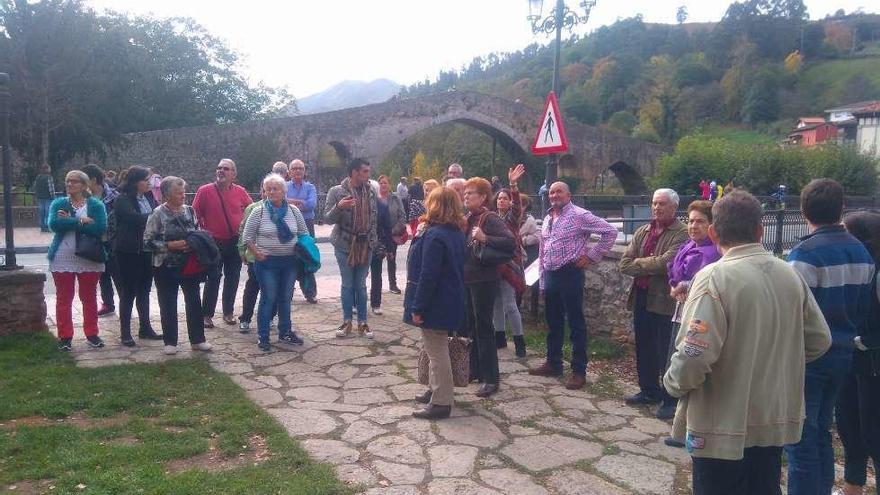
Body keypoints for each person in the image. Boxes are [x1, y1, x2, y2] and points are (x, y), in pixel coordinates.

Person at [663, 191, 832, 495]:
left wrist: (673, 384)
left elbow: (694, 354)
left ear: (713, 232)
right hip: (772, 418)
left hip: (720, 423)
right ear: (760, 230)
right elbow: (820, 340)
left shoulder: (713, 277)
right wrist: (777, 360)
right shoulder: (789, 274)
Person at [785, 179, 875, 495]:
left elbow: (790, 315)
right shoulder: (862, 253)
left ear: (802, 210)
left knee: (799, 438)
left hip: (808, 359)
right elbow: (864, 309)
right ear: (842, 209)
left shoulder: (803, 255)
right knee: (821, 430)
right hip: (843, 356)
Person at [529, 182, 617, 389]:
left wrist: (591, 256)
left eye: (559, 191)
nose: (554, 195)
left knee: (576, 323)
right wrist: (542, 282)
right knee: (553, 322)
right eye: (551, 192)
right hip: (551, 274)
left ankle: (578, 371)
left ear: (569, 194)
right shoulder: (550, 218)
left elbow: (610, 232)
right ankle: (554, 362)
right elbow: (543, 251)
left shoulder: (580, 215)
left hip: (570, 273)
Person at [619, 189, 688, 408]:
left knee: (665, 349)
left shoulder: (681, 233)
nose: (657, 208)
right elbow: (624, 264)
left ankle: (669, 398)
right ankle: (648, 390)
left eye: (662, 204)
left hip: (664, 300)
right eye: (654, 203)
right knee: (644, 346)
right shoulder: (643, 231)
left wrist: (641, 263)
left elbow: (667, 264)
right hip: (641, 295)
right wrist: (649, 263)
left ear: (674, 208)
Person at [404, 187, 467, 420]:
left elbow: (428, 275)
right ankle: (436, 389)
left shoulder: (435, 235)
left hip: (436, 301)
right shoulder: (456, 232)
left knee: (437, 350)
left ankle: (441, 401)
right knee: (435, 349)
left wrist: (418, 307)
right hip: (451, 297)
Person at [658, 200, 721, 428]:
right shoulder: (688, 245)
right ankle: (670, 399)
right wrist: (674, 286)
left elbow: (703, 280)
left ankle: (680, 406)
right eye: (691, 221)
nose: (694, 226)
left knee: (689, 354)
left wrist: (683, 285)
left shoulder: (713, 253)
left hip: (698, 314)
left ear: (712, 225)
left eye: (700, 221)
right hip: (680, 309)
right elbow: (672, 268)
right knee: (674, 353)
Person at [835, 211, 880, 495]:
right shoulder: (854, 265)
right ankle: (853, 486)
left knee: (874, 433)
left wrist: (866, 340)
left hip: (873, 365)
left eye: (846, 232)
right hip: (850, 360)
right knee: (849, 427)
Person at [144, 176, 213, 355]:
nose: (183, 195)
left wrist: (193, 244)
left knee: (194, 301)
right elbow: (147, 241)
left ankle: (198, 339)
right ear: (166, 194)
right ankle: (170, 341)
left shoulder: (190, 210)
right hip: (165, 265)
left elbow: (197, 231)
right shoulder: (157, 213)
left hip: (188, 264)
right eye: (178, 192)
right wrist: (168, 245)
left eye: (183, 191)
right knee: (167, 302)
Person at [243, 173, 308, 352]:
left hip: (289, 262)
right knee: (268, 298)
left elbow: (303, 233)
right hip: (267, 263)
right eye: (268, 189)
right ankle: (263, 337)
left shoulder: (294, 211)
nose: (271, 192)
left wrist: (302, 251)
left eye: (275, 189)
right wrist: (256, 253)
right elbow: (247, 236)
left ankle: (285, 332)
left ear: (283, 191)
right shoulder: (259, 211)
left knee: (285, 298)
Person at [463, 177, 516, 398]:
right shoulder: (470, 217)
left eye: (471, 194)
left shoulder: (490, 217)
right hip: (471, 278)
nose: (466, 197)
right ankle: (476, 370)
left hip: (484, 279)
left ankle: (491, 378)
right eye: (465, 194)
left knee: (484, 328)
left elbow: (510, 242)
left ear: (483, 197)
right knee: (473, 327)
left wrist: (485, 238)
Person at [48, 170, 108, 351]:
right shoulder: (59, 203)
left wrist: (70, 221)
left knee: (89, 297)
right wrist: (81, 220)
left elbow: (100, 228)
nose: (69, 185)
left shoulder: (96, 205)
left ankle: (92, 334)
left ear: (83, 185)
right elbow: (54, 224)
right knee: (64, 298)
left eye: (74, 182)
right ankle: (65, 336)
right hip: (63, 256)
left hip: (89, 257)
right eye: (67, 182)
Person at [192, 158, 252, 328]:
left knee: (232, 278)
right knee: (213, 278)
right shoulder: (204, 191)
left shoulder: (240, 191)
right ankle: (207, 314)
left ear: (234, 174)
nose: (221, 171)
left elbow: (252, 210)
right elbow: (195, 215)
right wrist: (204, 233)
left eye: (226, 168)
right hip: (214, 243)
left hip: (234, 241)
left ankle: (228, 312)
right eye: (219, 168)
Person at [325, 158, 378, 339]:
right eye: (365, 171)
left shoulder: (371, 191)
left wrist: (375, 241)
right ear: (354, 173)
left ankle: (362, 322)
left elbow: (375, 218)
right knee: (347, 285)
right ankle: (347, 321)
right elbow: (327, 218)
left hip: (366, 244)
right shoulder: (336, 191)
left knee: (361, 286)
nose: (368, 175)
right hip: (344, 244)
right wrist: (339, 207)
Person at [112, 166, 162, 346]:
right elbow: (135, 218)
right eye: (145, 180)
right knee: (128, 291)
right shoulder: (122, 199)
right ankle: (125, 332)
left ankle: (145, 327)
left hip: (147, 250)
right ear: (135, 182)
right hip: (128, 251)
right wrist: (157, 215)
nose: (149, 183)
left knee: (144, 291)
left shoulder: (148, 197)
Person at [490, 165, 527, 356]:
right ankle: (500, 337)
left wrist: (513, 184)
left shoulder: (512, 218)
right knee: (496, 302)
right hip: (494, 266)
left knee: (510, 303)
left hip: (510, 266)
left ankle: (520, 341)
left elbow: (517, 204)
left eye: (505, 198)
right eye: (500, 198)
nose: (502, 200)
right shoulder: (492, 218)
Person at [81, 164, 119, 318]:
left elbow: (116, 220)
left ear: (93, 180)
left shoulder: (113, 197)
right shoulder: (85, 199)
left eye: (84, 180)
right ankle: (108, 304)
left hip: (111, 241)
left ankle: (126, 304)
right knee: (102, 275)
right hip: (95, 242)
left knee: (118, 275)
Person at [370, 175, 407, 315]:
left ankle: (392, 284)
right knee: (371, 271)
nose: (383, 185)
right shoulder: (374, 201)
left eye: (385, 183)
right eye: (381, 183)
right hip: (376, 238)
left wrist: (394, 231)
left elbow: (402, 217)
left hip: (391, 235)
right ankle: (366, 301)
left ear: (389, 184)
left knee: (391, 260)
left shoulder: (394, 198)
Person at [286, 159, 318, 304]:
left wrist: (291, 202)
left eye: (300, 168)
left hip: (306, 225)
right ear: (289, 171)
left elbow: (312, 204)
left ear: (304, 171)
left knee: (308, 257)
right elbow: (282, 201)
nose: (298, 171)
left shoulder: (310, 187)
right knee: (289, 258)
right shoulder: (284, 186)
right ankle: (288, 291)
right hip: (288, 224)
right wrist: (301, 203)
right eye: (295, 168)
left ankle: (310, 293)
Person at [32, 164, 55, 232]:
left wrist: (36, 195)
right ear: (46, 169)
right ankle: (47, 226)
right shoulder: (49, 177)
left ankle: (42, 226)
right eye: (49, 168)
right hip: (47, 197)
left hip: (40, 197)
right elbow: (51, 189)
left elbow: (35, 186)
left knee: (41, 212)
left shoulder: (38, 177)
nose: (50, 170)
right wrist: (53, 196)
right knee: (48, 212)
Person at [519, 196, 540, 267]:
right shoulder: (509, 217)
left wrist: (522, 240)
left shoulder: (530, 221)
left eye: (522, 205)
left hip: (526, 253)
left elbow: (537, 237)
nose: (519, 207)